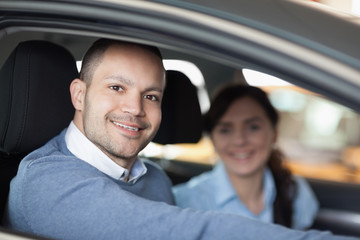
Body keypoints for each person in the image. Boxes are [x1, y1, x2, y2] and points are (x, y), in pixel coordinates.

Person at [4, 39, 358, 240]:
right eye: (117, 87)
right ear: (79, 95)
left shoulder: (154, 179)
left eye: (152, 96)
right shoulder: (45, 182)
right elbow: (188, 233)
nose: (135, 109)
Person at [173, 84, 319, 230]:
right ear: (213, 140)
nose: (240, 140)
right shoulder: (185, 202)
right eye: (225, 130)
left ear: (274, 134)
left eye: (253, 127)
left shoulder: (295, 191)